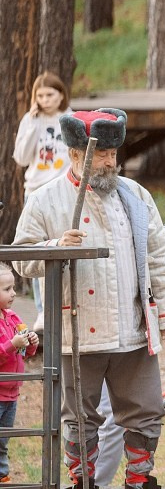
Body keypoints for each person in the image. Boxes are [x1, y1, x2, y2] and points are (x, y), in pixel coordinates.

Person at [12, 108, 165, 489]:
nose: (110, 162)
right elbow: (22, 260)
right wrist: (54, 246)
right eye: (101, 154)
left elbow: (158, 255)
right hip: (78, 331)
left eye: (112, 153)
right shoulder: (45, 199)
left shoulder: (135, 194)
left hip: (132, 326)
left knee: (145, 413)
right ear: (75, 154)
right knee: (80, 418)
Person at [12, 71, 72, 334]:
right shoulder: (31, 119)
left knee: (64, 246)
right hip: (36, 190)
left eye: (50, 94)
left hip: (62, 190)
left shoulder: (69, 118)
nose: (45, 100)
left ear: (61, 94)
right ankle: (42, 310)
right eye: (40, 95)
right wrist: (33, 126)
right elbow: (21, 158)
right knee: (38, 250)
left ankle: (65, 306)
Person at [0, 267, 38, 489]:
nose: (14, 293)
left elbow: (24, 353)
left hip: (11, 392)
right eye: (7, 289)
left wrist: (30, 343)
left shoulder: (13, 318)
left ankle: (3, 480)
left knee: (3, 441)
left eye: (13, 287)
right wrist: (12, 344)